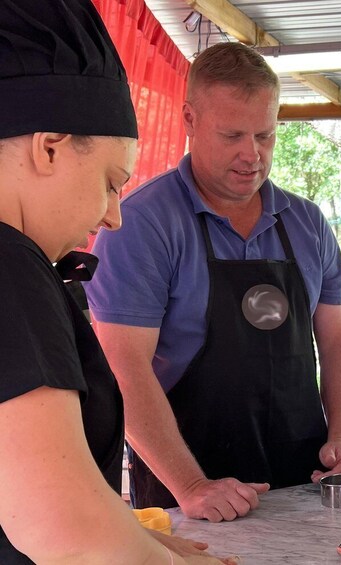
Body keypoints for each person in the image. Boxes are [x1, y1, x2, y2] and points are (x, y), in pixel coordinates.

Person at [85, 41, 341, 522]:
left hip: (304, 485)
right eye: (232, 135)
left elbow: (338, 339)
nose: (251, 155)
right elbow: (123, 367)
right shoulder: (142, 224)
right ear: (189, 119)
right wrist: (191, 486)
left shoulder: (308, 223)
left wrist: (339, 438)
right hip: (190, 492)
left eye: (265, 136)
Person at [0, 1, 234, 563]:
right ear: (49, 146)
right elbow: (70, 534)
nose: (114, 216)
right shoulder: (9, 266)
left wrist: (140, 541)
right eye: (111, 182)